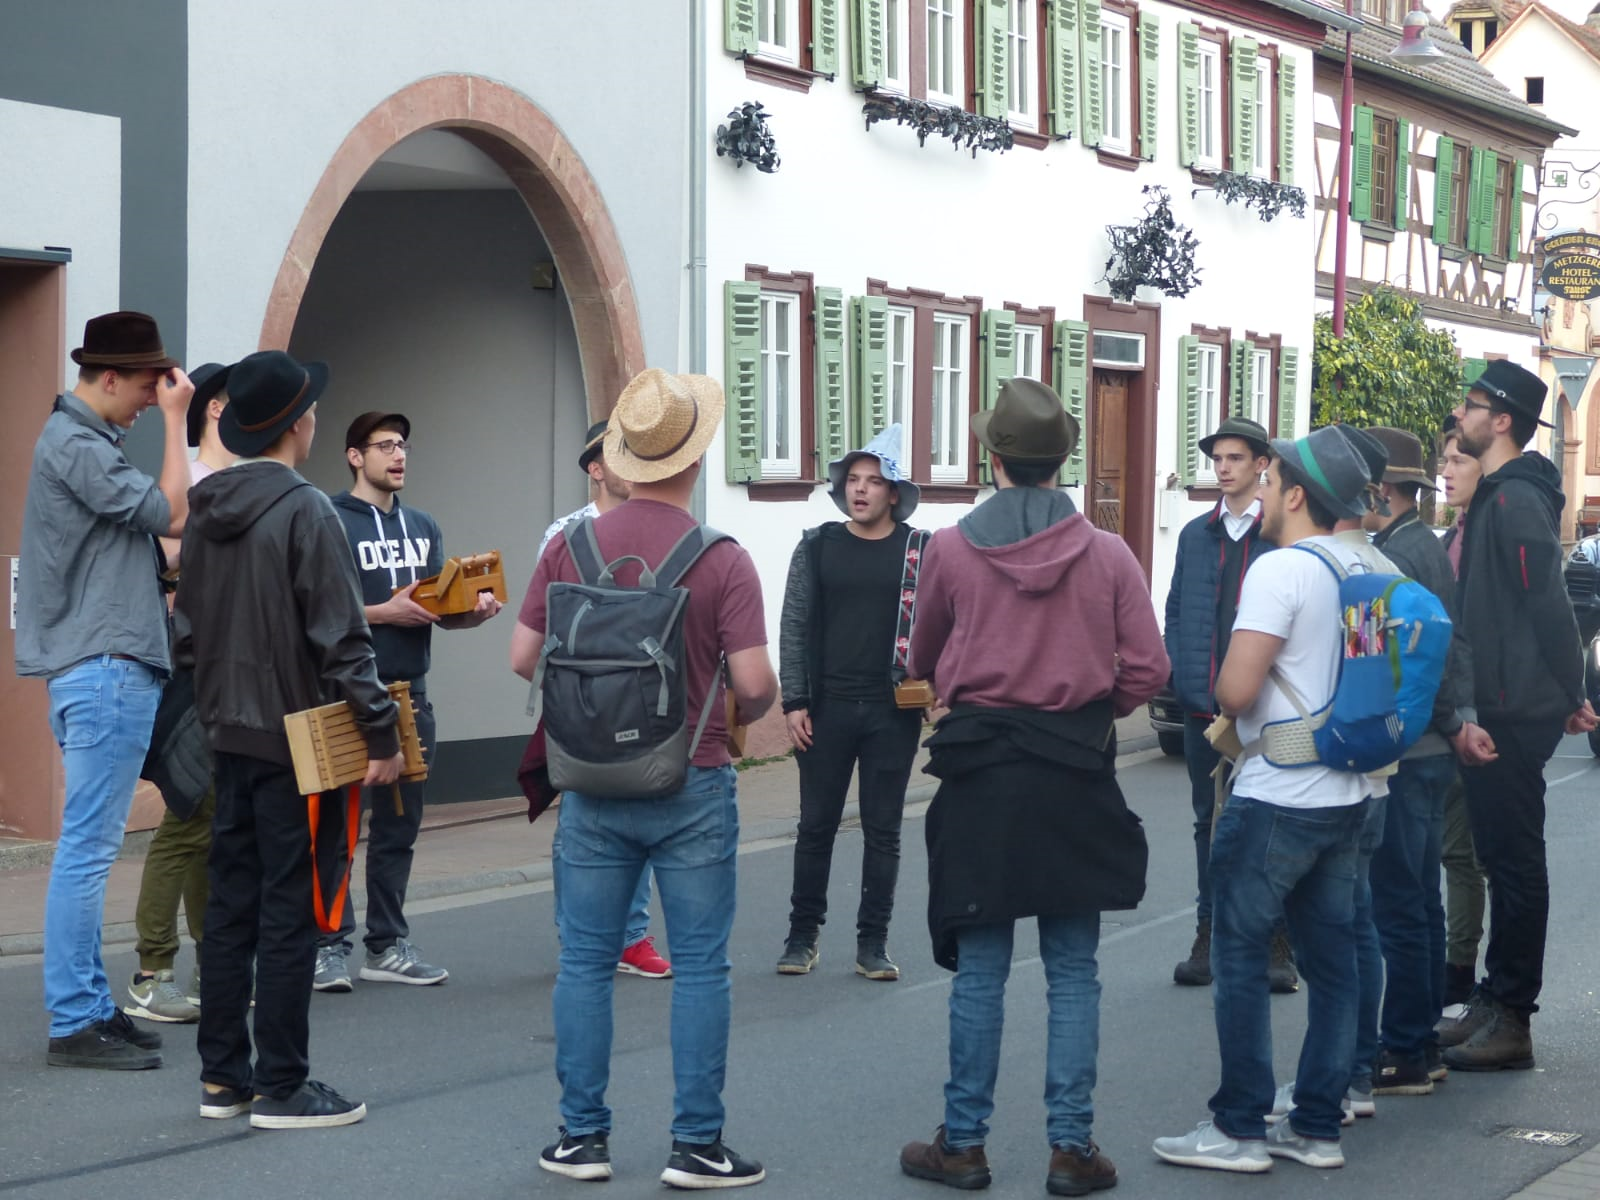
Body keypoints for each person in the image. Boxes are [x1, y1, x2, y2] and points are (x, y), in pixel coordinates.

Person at [898, 379, 1168, 1196]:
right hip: (1074, 769)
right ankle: (1070, 1149)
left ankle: (966, 1144)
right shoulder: (1110, 553)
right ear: (1063, 459)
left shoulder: (947, 548)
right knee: (1074, 969)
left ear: (994, 456)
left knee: (981, 969)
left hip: (982, 773)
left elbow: (919, 659)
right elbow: (1151, 670)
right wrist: (1092, 708)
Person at [512, 368, 778, 1189]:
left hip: (591, 780)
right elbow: (758, 684)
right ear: (695, 463)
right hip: (691, 778)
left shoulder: (569, 545)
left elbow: (523, 658)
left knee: (585, 964)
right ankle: (697, 1145)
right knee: (701, 967)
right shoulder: (721, 558)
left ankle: (580, 1139)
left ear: (622, 458)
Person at [176, 349, 403, 1129]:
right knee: (294, 909)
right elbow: (343, 640)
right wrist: (381, 733)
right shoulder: (308, 510)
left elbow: (186, 639)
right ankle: (283, 1084)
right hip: (298, 740)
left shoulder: (206, 509)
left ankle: (221, 1080)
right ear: (300, 424)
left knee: (230, 906)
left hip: (227, 735)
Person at [1154, 427, 1376, 1174]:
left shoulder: (1282, 572)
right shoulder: (1368, 564)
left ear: (1297, 493)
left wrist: (1224, 692)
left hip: (1277, 789)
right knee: (1335, 963)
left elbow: (1237, 689)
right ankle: (1317, 1126)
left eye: (1274, 473)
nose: (1265, 485)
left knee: (1241, 955)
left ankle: (1241, 1128)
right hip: (1349, 789)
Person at [18, 311, 194, 1070]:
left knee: (90, 848)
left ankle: (90, 1005)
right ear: (110, 377)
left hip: (100, 666)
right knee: (88, 851)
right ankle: (72, 1022)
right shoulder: (75, 444)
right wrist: (183, 427)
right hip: (105, 667)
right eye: (150, 385)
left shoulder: (85, 443)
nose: (156, 397)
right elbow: (172, 513)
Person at [1437, 361, 1595, 1071]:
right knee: (1503, 860)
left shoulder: (1514, 503)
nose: (1461, 417)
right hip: (1498, 703)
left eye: (1472, 407)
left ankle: (1513, 1017)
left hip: (1510, 709)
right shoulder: (1498, 497)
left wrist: (1572, 692)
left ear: (1501, 421)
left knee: (1516, 865)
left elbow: (1547, 605)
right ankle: (1494, 1001)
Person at [312, 412, 504, 992]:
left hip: (408, 697)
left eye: (404, 446)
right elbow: (312, 613)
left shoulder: (422, 525)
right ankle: (325, 946)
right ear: (354, 456)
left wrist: (470, 613)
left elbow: (436, 617)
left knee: (399, 826)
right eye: (385, 445)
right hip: (343, 695)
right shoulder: (328, 519)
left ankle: (388, 944)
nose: (399, 456)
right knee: (334, 832)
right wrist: (381, 613)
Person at [777, 423, 925, 981]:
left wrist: (936, 684)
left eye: (874, 481)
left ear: (894, 493)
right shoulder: (817, 545)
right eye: (853, 480)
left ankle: (872, 944)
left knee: (883, 829)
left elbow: (942, 623)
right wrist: (794, 699)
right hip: (826, 709)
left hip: (893, 713)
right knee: (816, 825)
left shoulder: (919, 550)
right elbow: (793, 624)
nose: (860, 489)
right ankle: (801, 936)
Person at [1363, 426, 1483, 1094]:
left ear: (1384, 489)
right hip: (1433, 743)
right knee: (1422, 900)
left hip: (1414, 747)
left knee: (1400, 901)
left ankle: (1405, 1046)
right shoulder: (1418, 545)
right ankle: (1424, 1038)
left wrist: (1444, 722)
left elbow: (1423, 659)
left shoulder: (1400, 555)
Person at [537, 422, 670, 981]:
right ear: (595, 468)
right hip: (580, 693)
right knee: (578, 818)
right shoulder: (565, 533)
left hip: (638, 693)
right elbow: (542, 621)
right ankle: (579, 933)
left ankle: (631, 936)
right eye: (620, 454)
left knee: (637, 808)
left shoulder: (654, 529)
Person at [1161, 417, 1289, 990]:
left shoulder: (1279, 533)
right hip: (1201, 707)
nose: (1224, 466)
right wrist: (1184, 677)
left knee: (1268, 824)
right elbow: (1177, 612)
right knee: (1206, 822)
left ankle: (1274, 942)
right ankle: (1208, 932)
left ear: (1262, 464)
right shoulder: (1195, 534)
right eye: (1218, 458)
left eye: (1236, 457)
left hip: (1265, 711)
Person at [127, 363, 236, 1023]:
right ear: (218, 408)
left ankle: (206, 963)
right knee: (188, 815)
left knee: (210, 816)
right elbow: (164, 560)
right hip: (190, 668)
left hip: (232, 672)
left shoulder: (247, 480)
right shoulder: (188, 481)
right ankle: (152, 970)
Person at [1437, 419, 1487, 1007]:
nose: (1446, 472)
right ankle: (1456, 965)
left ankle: (1461, 968)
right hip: (1448, 710)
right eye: (1444, 461)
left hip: (1473, 715)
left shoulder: (1481, 536)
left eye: (1458, 462)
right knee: (1455, 850)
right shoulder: (1451, 533)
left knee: (1466, 852)